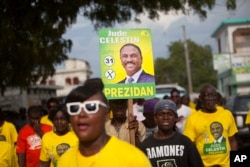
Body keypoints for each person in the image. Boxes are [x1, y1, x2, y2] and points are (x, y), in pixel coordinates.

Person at [58, 78, 151, 167]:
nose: (82, 114)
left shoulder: (134, 159)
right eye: (74, 108)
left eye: (91, 107)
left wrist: (135, 134)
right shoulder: (64, 161)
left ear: (106, 113)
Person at [183, 84, 238, 167]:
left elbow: (232, 141)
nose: (211, 99)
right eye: (207, 96)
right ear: (201, 99)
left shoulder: (227, 114)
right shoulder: (192, 119)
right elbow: (188, 147)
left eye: (213, 95)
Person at [139, 99, 204, 167]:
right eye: (161, 114)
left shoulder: (185, 143)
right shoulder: (146, 146)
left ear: (176, 118)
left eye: (170, 114)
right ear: (155, 118)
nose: (166, 117)